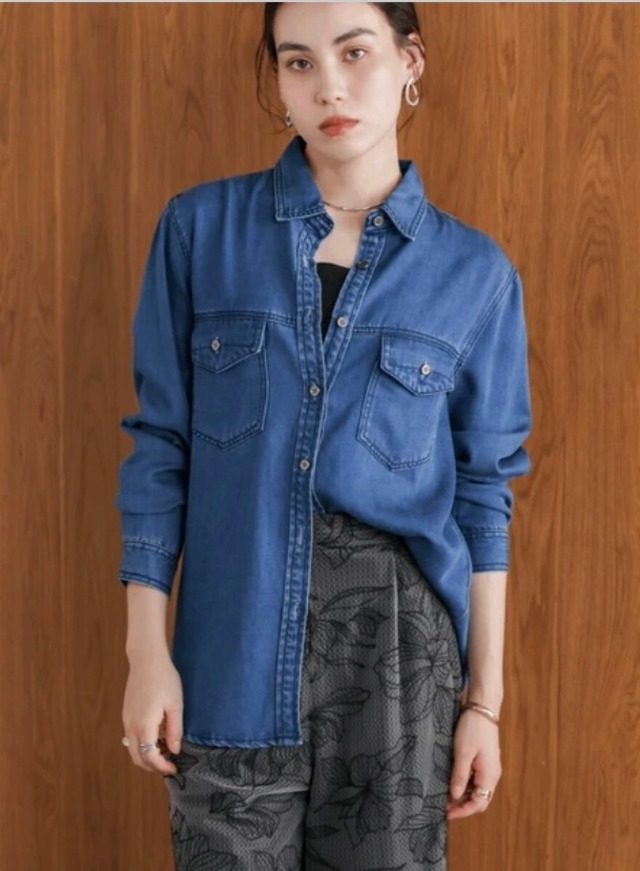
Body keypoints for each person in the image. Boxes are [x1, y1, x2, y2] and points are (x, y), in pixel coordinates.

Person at [116, 3, 532, 869]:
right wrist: (145, 652)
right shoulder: (199, 232)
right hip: (229, 657)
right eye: (299, 61)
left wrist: (482, 703)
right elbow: (160, 449)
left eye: (355, 53)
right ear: (276, 76)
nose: (329, 87)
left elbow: (483, 494)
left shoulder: (476, 274)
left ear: (410, 60)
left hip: (398, 672)